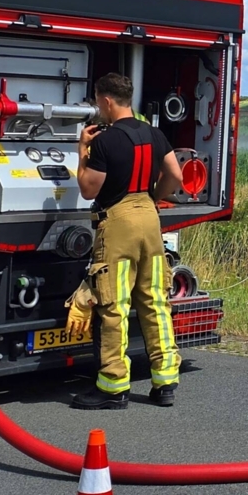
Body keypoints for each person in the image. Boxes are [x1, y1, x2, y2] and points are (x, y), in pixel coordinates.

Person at [67, 72, 185, 410]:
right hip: (150, 219)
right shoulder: (154, 134)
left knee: (113, 306)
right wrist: (152, 196)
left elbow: (89, 189)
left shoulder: (105, 141)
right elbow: (175, 176)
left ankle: (113, 387)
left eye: (96, 102)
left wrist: (82, 151)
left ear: (105, 100)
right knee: (155, 302)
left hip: (118, 223)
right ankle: (165, 383)